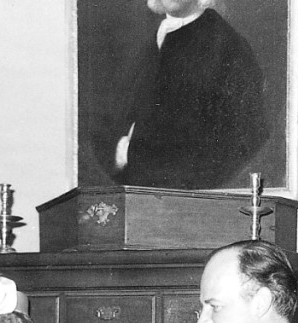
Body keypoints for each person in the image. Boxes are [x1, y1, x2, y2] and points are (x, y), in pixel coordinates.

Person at [113, 0, 267, 190]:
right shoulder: (152, 40)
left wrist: (132, 153)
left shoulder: (227, 45)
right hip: (136, 186)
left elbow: (230, 143)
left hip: (186, 191)